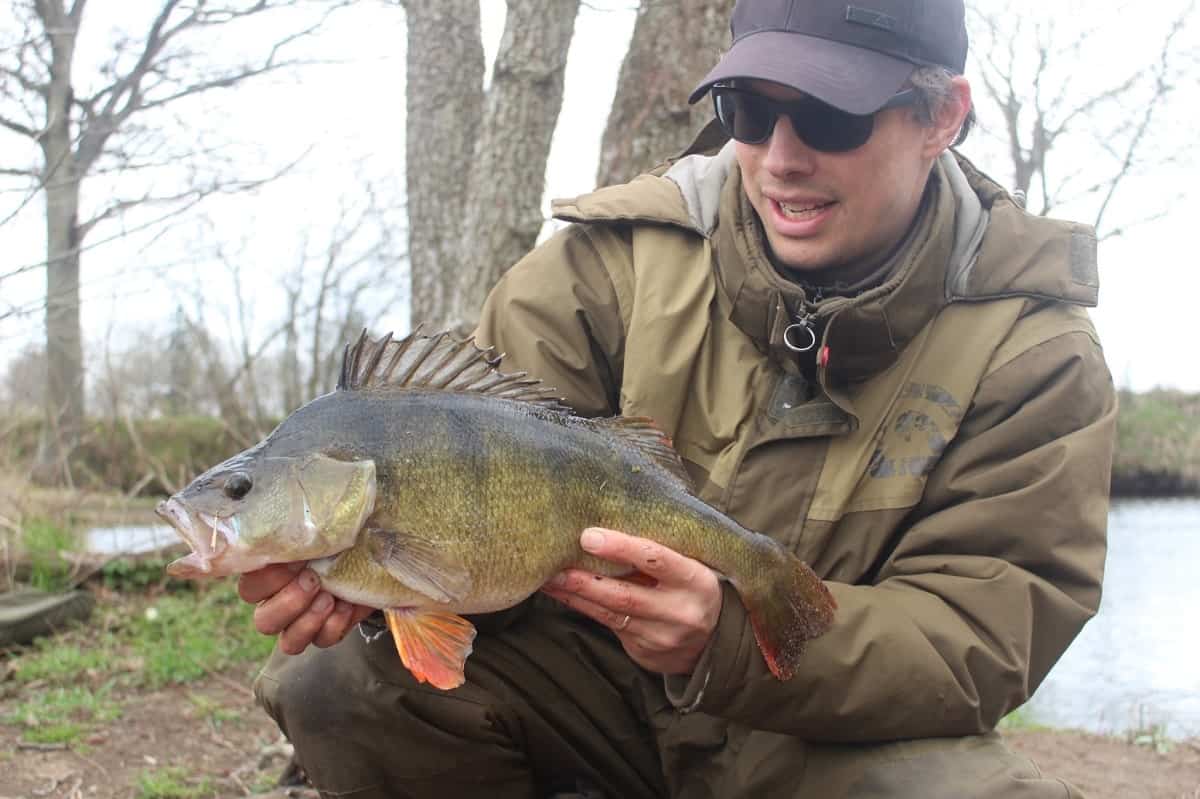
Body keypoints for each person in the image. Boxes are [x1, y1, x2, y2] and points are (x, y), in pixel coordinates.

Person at [241, 0, 1117, 796]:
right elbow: (468, 488)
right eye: (747, 109)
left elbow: (982, 633)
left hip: (824, 738)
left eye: (829, 115)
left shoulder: (1033, 353)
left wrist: (724, 639)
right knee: (343, 680)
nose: (781, 156)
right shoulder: (609, 263)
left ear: (942, 118)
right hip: (606, 698)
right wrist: (376, 583)